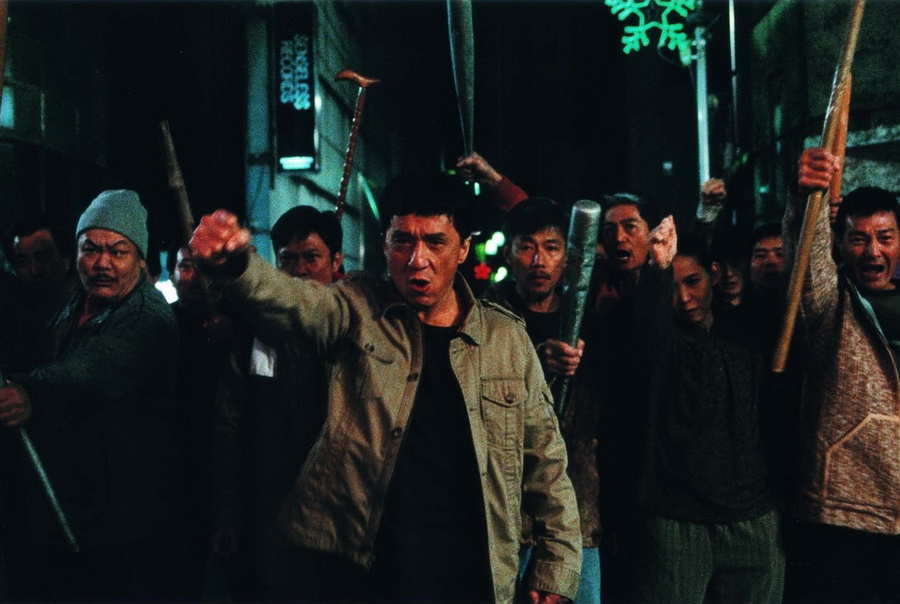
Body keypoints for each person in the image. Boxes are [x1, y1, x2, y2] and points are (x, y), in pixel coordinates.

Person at [190, 172, 582, 604]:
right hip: (370, 576)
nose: (417, 260)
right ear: (385, 245)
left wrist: (556, 568)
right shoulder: (356, 310)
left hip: (475, 574)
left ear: (463, 249)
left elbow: (546, 461)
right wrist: (238, 267)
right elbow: (297, 303)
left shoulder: (505, 340)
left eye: (435, 242)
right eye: (403, 241)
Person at [0, 190, 182, 601]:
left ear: (140, 260)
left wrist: (30, 392)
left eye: (117, 252)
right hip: (68, 511)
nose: (102, 263)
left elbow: (91, 369)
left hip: (122, 525)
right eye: (90, 249)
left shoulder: (147, 317)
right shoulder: (74, 303)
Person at [619, 221, 784, 603]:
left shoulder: (748, 331)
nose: (684, 297)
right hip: (676, 517)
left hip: (752, 513)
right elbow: (650, 329)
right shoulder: (662, 342)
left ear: (714, 275)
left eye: (692, 282)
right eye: (673, 287)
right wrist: (658, 270)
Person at [784, 147, 900, 601]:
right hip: (843, 509)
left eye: (885, 237)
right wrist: (805, 197)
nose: (873, 251)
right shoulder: (830, 304)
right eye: (858, 239)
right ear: (839, 244)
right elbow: (807, 264)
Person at [211, 206, 341, 601]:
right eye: (288, 259)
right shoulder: (255, 333)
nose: (299, 271)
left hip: (337, 515)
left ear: (336, 262)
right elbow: (229, 424)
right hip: (268, 508)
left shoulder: (354, 333)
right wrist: (227, 513)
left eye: (311, 257)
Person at [484, 198, 601, 604]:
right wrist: (535, 358)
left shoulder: (589, 319)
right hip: (502, 515)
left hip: (576, 512)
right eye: (526, 247)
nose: (539, 260)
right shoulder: (485, 316)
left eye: (551, 247)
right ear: (508, 253)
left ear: (567, 255)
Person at [0, 216, 79, 373]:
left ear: (66, 259)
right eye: (23, 262)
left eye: (43, 258)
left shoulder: (84, 307)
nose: (34, 270)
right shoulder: (17, 310)